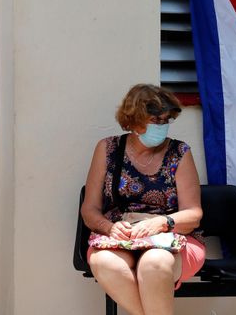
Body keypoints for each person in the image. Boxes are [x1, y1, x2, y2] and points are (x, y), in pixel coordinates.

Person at [81, 84, 205, 315]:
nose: (162, 126)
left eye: (167, 120)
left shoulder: (179, 152)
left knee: (154, 263)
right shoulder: (108, 149)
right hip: (121, 238)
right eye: (155, 120)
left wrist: (162, 223)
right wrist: (109, 227)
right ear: (132, 121)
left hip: (170, 238)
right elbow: (89, 210)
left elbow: (193, 214)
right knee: (104, 263)